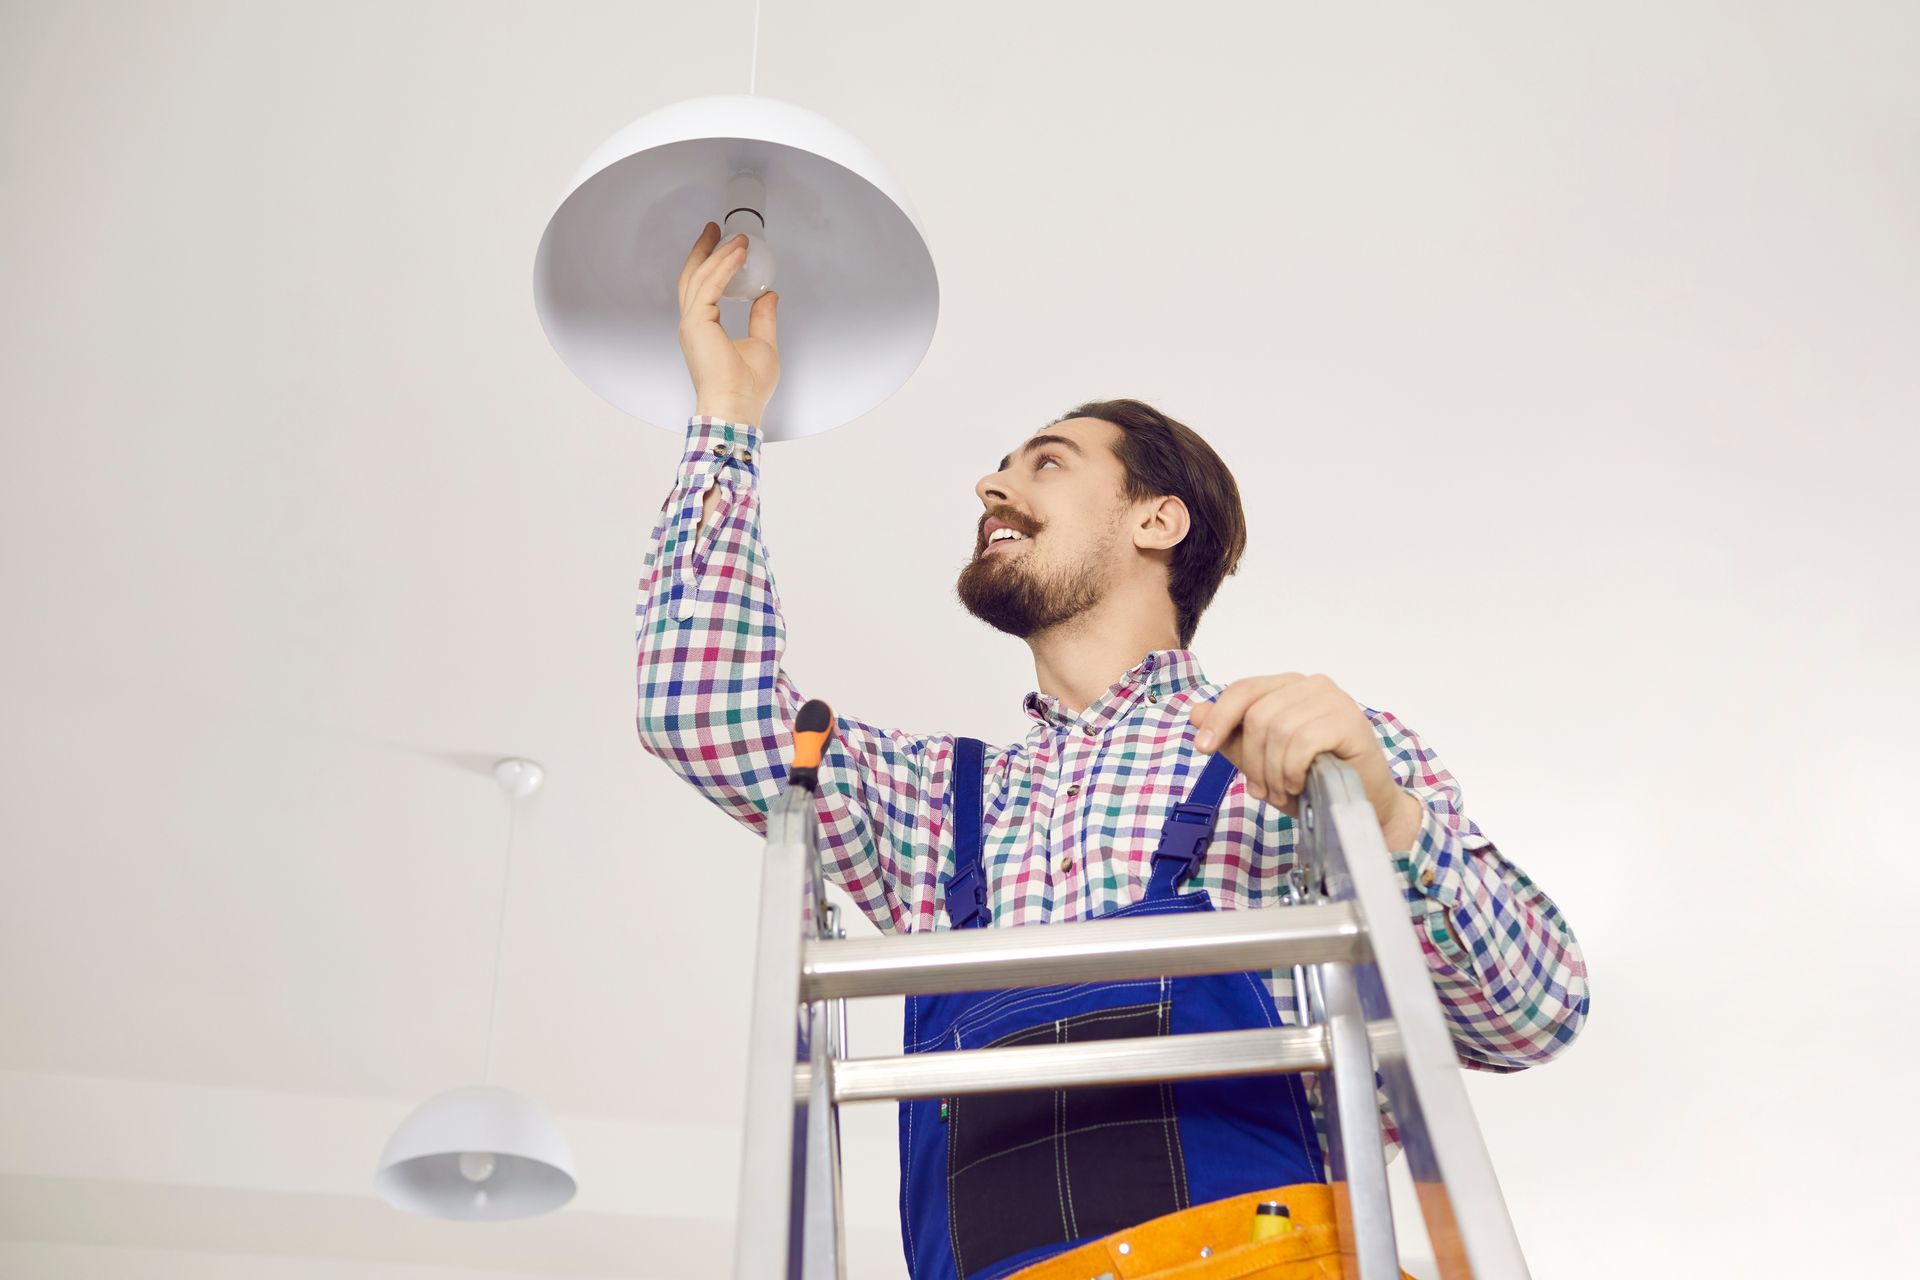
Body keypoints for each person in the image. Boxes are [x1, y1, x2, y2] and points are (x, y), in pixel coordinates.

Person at [637, 224, 1589, 1280]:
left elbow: (1534, 1011)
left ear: (1158, 519)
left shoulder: (1300, 752)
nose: (991, 487)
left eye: (1044, 462)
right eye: (1000, 468)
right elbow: (698, 709)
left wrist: (1389, 813)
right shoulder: (938, 803)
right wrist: (726, 420)